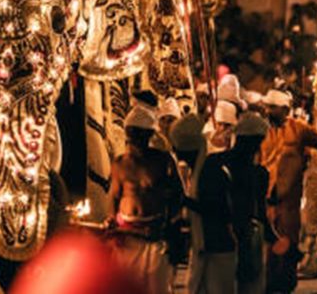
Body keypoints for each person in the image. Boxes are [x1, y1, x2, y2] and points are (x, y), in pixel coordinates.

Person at [106, 105, 183, 294]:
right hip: (127, 240)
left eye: (136, 134)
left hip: (154, 240)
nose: (131, 139)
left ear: (147, 135)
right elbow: (114, 196)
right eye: (129, 134)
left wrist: (171, 227)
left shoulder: (163, 161)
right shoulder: (119, 164)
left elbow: (178, 195)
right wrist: (111, 221)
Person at [259, 89, 317, 293]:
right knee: (267, 244)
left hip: (289, 199)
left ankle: (286, 283)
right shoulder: (262, 130)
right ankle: (267, 283)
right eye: (267, 106)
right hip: (265, 196)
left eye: (272, 107)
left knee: (288, 240)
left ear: (285, 109)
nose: (268, 110)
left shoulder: (299, 129)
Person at [172, 114, 235, 294]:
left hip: (217, 249)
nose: (175, 152)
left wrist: (185, 201)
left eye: (178, 149)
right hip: (210, 248)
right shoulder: (200, 171)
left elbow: (217, 210)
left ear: (188, 149)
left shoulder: (209, 173)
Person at [230, 114, 274, 294]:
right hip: (239, 235)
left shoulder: (217, 163)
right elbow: (260, 210)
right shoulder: (257, 173)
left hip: (239, 235)